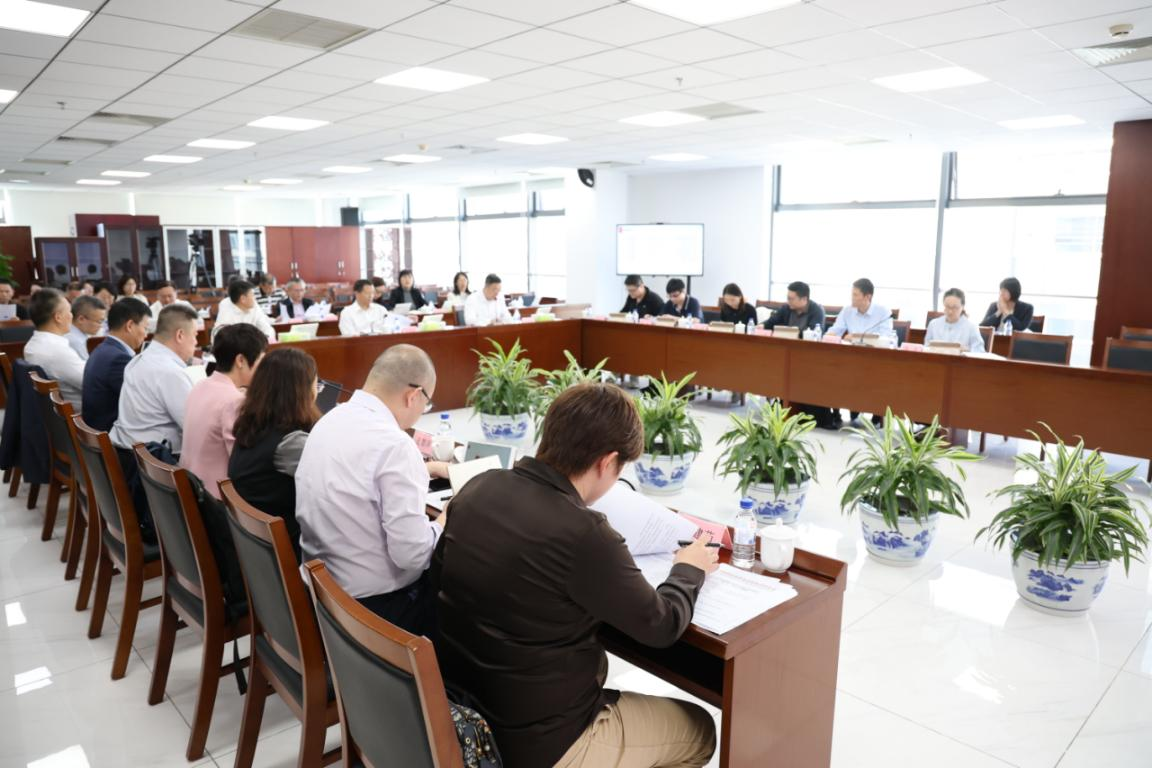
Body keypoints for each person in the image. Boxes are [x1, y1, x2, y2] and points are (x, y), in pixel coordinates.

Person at [433, 383, 718, 768]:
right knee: (700, 729)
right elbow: (662, 626)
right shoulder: (584, 532)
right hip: (537, 744)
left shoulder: (479, 487)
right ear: (607, 462)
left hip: (463, 712)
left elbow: (440, 581)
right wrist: (688, 568)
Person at [295, 344, 449, 635]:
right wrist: (444, 519)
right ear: (413, 395)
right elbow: (413, 556)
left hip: (321, 593)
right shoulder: (396, 445)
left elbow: (361, 476)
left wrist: (422, 470)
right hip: (371, 612)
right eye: (426, 404)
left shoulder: (329, 419)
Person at [228, 347, 322, 559]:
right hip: (289, 555)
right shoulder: (290, 444)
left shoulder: (251, 426)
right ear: (301, 393)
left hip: (257, 553)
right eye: (316, 386)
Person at [179, 324, 267, 499]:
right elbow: (245, 462)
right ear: (240, 360)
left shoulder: (200, 386)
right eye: (261, 361)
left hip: (192, 489)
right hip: (218, 500)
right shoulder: (234, 401)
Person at [109, 304, 199, 455]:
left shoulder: (137, 360)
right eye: (195, 335)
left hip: (131, 452)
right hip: (154, 460)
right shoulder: (170, 372)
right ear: (180, 335)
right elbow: (196, 428)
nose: (196, 342)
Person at [81, 298, 151, 432]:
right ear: (130, 325)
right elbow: (143, 402)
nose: (146, 335)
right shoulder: (118, 359)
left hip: (95, 430)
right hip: (109, 435)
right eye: (145, 328)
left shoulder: (102, 349)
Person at [24, 288, 86, 408]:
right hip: (83, 414)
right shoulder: (57, 351)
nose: (71, 316)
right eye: (69, 311)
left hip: (57, 413)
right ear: (58, 317)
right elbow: (92, 383)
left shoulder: (32, 344)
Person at [826, 278, 893, 339]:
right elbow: (835, 330)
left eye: (855, 295)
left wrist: (856, 337)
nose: (851, 298)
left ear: (868, 297)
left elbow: (885, 337)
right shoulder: (847, 310)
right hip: (851, 348)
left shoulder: (883, 312)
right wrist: (829, 336)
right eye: (852, 294)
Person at [927, 288, 986, 353]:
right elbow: (926, 348)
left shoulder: (971, 327)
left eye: (955, 307)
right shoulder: (933, 324)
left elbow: (980, 351)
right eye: (947, 306)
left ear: (962, 307)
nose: (950, 311)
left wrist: (967, 350)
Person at [66, 295, 107, 361]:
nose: (101, 326)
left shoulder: (78, 335)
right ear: (81, 319)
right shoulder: (76, 342)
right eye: (99, 321)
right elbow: (88, 366)